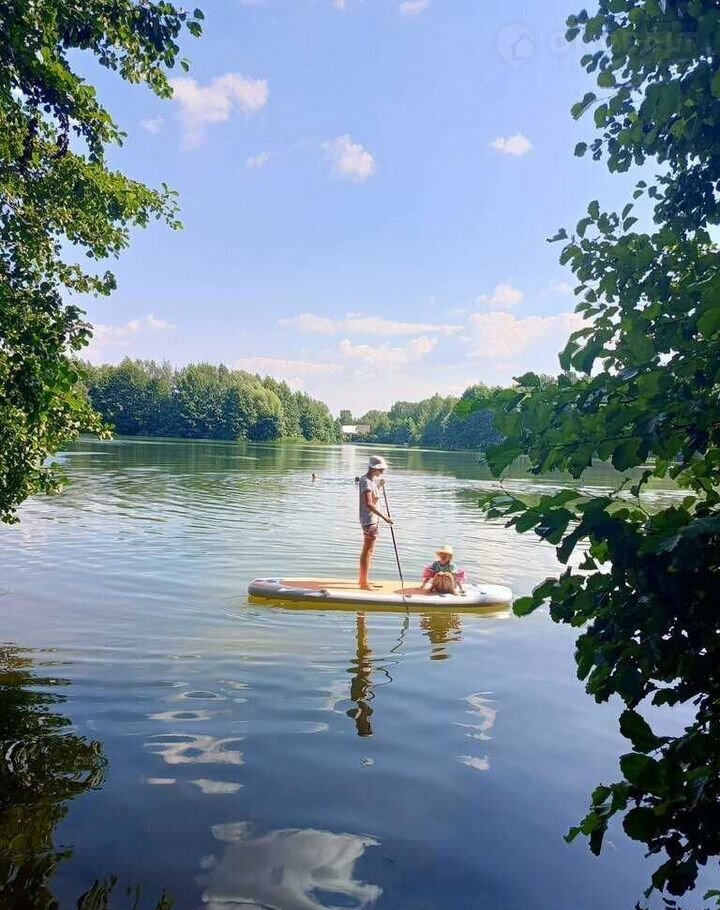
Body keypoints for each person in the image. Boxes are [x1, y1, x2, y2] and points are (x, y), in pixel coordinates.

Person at [358, 455, 392, 590]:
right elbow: (369, 504)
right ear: (373, 469)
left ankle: (363, 580)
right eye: (381, 469)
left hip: (372, 520)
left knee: (369, 551)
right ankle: (364, 583)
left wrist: (379, 485)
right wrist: (385, 517)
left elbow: (373, 495)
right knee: (368, 551)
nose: (382, 472)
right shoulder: (366, 481)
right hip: (369, 521)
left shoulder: (370, 481)